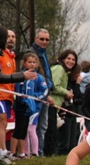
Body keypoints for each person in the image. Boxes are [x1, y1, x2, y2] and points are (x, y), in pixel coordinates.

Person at [0, 25, 37, 165]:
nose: (8, 40)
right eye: (6, 37)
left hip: (5, 96)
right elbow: (0, 77)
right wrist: (23, 76)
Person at [10, 53, 48, 159]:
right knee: (18, 130)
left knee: (25, 131)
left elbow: (44, 91)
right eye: (29, 62)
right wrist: (21, 100)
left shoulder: (38, 77)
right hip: (21, 107)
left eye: (34, 62)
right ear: (24, 63)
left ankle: (24, 153)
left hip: (32, 108)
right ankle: (12, 153)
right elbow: (16, 90)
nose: (32, 64)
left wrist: (35, 98)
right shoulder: (21, 76)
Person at [0, 30, 18, 165]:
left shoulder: (11, 56)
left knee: (4, 123)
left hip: (8, 95)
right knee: (0, 122)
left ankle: (4, 150)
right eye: (8, 37)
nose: (11, 39)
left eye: (13, 37)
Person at [26, 28, 55, 157]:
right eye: (41, 39)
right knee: (35, 126)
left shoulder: (43, 54)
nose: (44, 42)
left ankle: (39, 151)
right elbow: (31, 76)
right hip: (36, 96)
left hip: (45, 93)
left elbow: (46, 73)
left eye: (47, 39)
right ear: (35, 39)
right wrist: (45, 94)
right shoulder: (31, 53)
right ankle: (34, 152)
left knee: (43, 126)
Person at [44, 49, 78, 156]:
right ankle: (48, 154)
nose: (71, 61)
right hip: (51, 103)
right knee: (51, 131)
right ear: (63, 58)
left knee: (53, 130)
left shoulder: (65, 71)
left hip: (56, 104)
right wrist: (66, 92)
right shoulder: (59, 68)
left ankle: (50, 153)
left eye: (73, 59)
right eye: (68, 58)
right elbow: (54, 85)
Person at [57, 64, 83, 155]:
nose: (78, 76)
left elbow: (79, 98)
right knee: (65, 140)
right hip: (65, 112)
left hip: (73, 113)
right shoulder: (68, 83)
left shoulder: (76, 84)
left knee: (73, 140)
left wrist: (77, 85)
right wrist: (77, 85)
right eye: (77, 73)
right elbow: (73, 96)